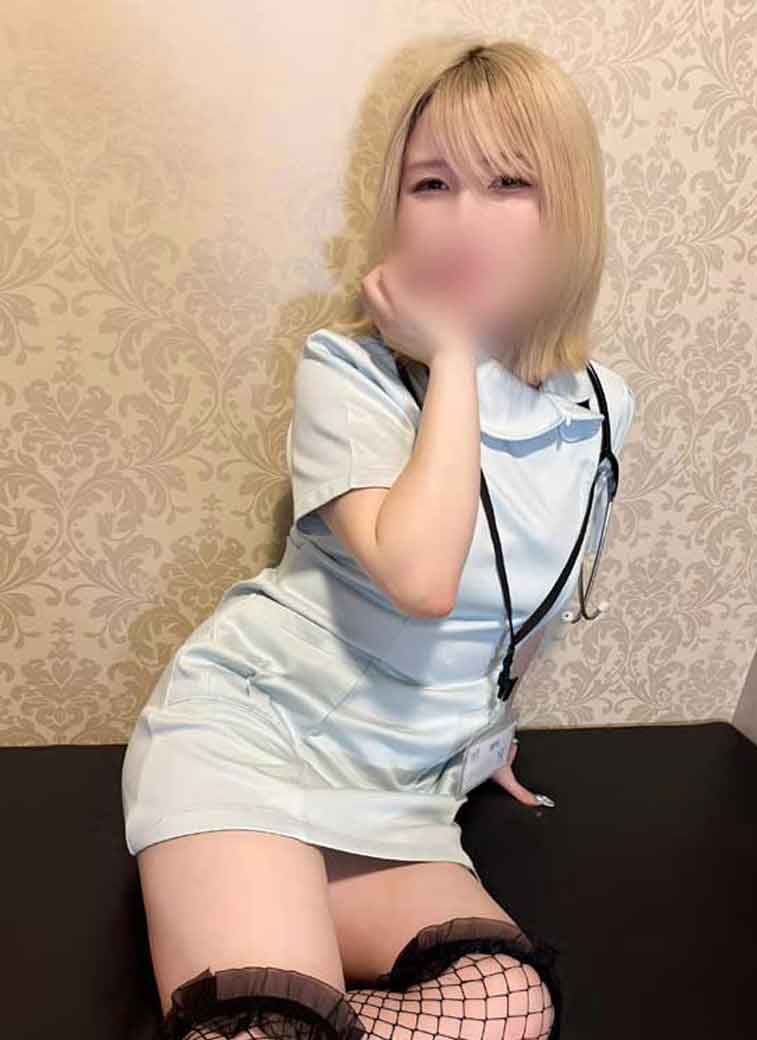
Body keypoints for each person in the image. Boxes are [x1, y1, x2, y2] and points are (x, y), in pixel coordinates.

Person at [121, 36, 636, 1040]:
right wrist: (454, 360)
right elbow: (421, 576)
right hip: (252, 749)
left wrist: (485, 732)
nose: (461, 219)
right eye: (432, 183)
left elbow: (527, 592)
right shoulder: (349, 372)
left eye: (509, 182)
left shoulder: (602, 408)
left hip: (398, 801)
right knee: (276, 1023)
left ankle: (282, 1017)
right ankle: (269, 1014)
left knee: (512, 1005)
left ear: (569, 205)